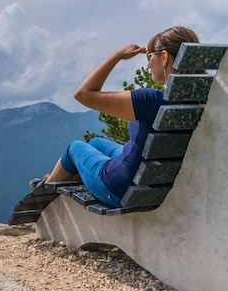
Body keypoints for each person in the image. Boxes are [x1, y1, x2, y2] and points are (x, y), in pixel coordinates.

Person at [33, 26, 201, 207]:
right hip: (152, 176)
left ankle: (48, 189)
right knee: (96, 143)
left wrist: (118, 55)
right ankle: (68, 177)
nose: (148, 63)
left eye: (150, 56)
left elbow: (83, 94)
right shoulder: (198, 98)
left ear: (165, 57)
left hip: (119, 187)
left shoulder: (151, 100)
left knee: (73, 149)